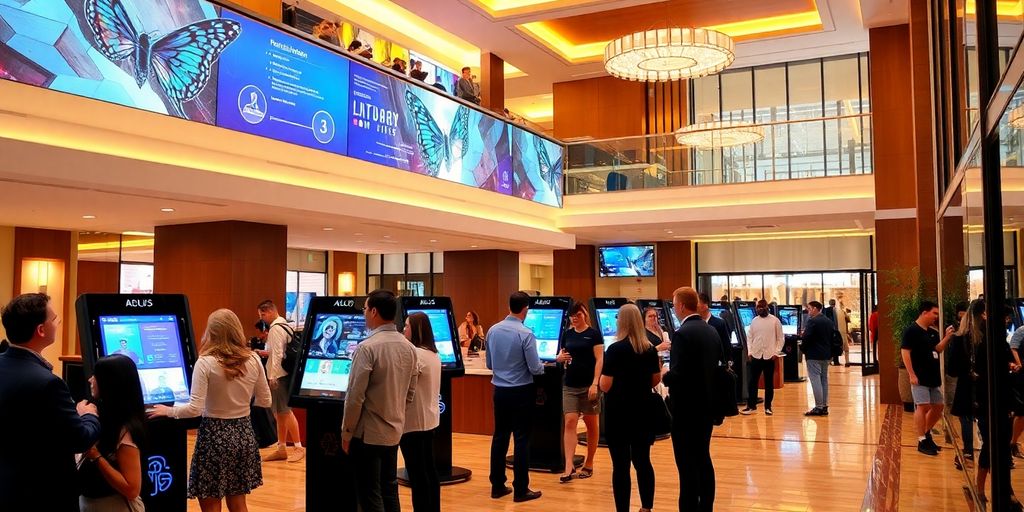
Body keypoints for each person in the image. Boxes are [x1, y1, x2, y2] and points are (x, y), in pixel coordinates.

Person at [149, 309, 273, 512]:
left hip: (214, 437)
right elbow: (265, 400)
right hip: (243, 435)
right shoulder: (253, 359)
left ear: (212, 332)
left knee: (210, 503)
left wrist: (169, 411)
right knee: (238, 502)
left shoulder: (205, 362)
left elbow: (195, 408)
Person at [0, 293, 100, 511]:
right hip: (43, 493)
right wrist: (88, 414)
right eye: (55, 319)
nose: (58, 324)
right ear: (41, 330)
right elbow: (80, 439)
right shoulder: (48, 383)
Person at [341, 290, 420, 512]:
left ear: (374, 311)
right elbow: (410, 393)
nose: (364, 314)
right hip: (394, 430)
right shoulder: (408, 347)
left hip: (367, 435)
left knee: (369, 493)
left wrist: (346, 433)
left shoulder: (367, 348)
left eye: (365, 309)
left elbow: (355, 396)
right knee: (389, 488)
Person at [662, 287, 723, 512]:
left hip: (686, 409)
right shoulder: (710, 330)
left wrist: (664, 375)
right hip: (707, 406)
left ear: (680, 306)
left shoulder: (682, 334)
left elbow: (678, 374)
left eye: (674, 304)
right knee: (703, 458)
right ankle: (706, 506)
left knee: (686, 466)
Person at [600, 304, 661, 512]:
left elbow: (605, 385)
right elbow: (655, 380)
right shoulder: (649, 349)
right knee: (643, 461)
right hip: (643, 411)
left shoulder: (615, 350)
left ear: (621, 321)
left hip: (618, 413)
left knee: (621, 466)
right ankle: (646, 507)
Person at [486, 291, 544, 503]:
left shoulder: (493, 330)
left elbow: (490, 364)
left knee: (499, 436)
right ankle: (521, 488)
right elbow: (536, 369)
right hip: (521, 391)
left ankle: (497, 485)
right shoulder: (525, 334)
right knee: (521, 439)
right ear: (525, 309)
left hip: (499, 391)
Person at [79, 355, 146, 512]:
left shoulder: (125, 429)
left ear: (109, 383)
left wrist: (95, 455)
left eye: (96, 376)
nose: (90, 380)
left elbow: (132, 489)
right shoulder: (101, 414)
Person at [556, 301, 603, 483]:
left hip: (588, 385)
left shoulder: (593, 334)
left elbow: (599, 359)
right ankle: (569, 465)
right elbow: (561, 355)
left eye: (578, 315)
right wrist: (559, 358)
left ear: (584, 315)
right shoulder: (567, 334)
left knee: (592, 425)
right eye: (572, 316)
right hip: (570, 384)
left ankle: (589, 462)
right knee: (570, 421)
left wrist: (595, 383)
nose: (575, 319)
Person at [401, 312, 442, 512]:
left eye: (407, 326)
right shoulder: (433, 354)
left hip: (412, 423)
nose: (403, 329)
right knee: (429, 471)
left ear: (416, 329)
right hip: (429, 420)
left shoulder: (414, 355)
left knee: (417, 475)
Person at [901, 300, 953, 455]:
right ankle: (922, 439)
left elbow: (937, 349)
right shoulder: (911, 331)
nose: (936, 317)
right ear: (924, 312)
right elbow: (905, 352)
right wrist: (911, 374)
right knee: (923, 406)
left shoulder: (932, 332)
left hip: (932, 376)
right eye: (934, 313)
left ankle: (926, 432)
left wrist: (947, 337)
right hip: (919, 376)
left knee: (938, 406)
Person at [258, 299, 304, 462]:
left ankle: (298, 447)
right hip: (284, 372)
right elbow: (278, 352)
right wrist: (264, 353)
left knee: (284, 411)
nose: (262, 318)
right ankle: (282, 447)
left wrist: (273, 376)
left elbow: (277, 353)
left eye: (263, 314)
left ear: (270, 311)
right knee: (279, 413)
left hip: (279, 375)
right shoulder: (284, 324)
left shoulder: (276, 329)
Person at [741, 299, 784, 416]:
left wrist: (776, 353)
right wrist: (749, 352)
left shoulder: (775, 321)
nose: (760, 309)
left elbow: (780, 338)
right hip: (755, 355)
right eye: (758, 308)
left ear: (767, 308)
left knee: (769, 383)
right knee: (752, 382)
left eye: (762, 307)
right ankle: (751, 405)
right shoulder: (754, 321)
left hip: (769, 356)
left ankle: (768, 407)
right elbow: (749, 337)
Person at [948, 305, 977, 465]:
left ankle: (968, 452)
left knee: (966, 417)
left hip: (967, 383)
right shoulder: (989, 336)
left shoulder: (960, 338)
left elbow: (952, 369)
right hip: (986, 384)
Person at [802, 301, 833, 416]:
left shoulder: (812, 321)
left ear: (815, 309)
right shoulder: (828, 321)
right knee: (824, 380)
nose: (808, 311)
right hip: (826, 355)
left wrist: (803, 349)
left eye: (809, 309)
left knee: (815, 380)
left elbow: (806, 338)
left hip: (813, 355)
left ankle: (818, 406)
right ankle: (824, 405)